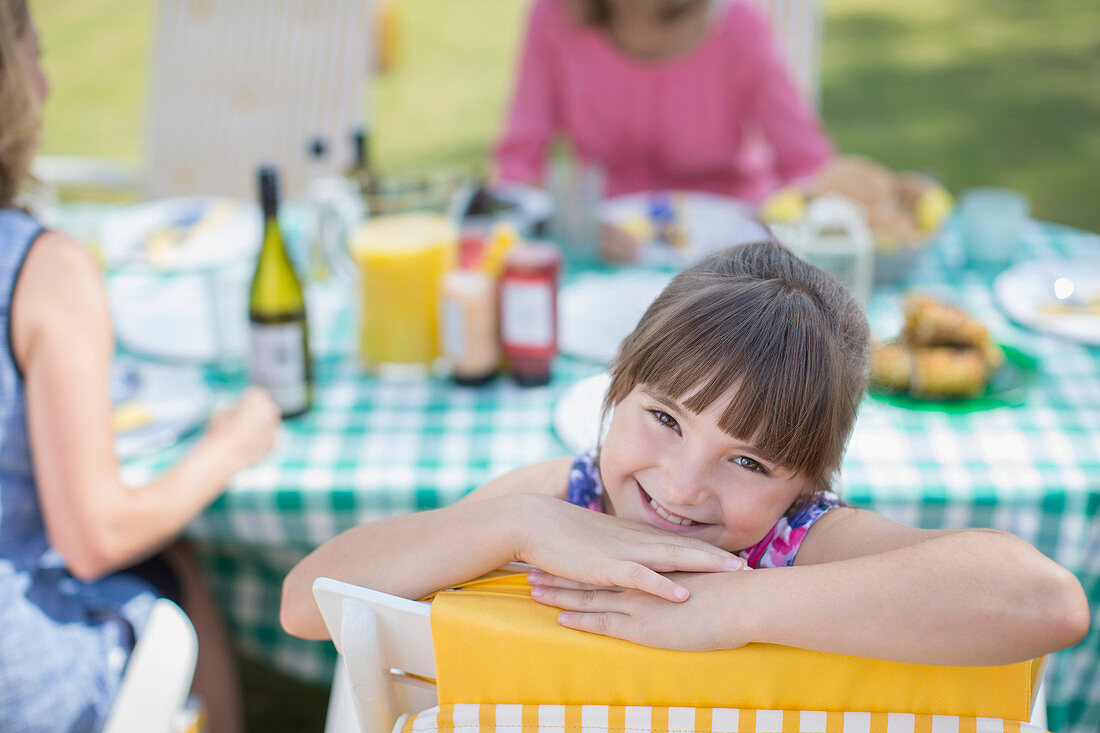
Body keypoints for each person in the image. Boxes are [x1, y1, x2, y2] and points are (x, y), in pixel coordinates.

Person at [281, 241, 1088, 667]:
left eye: (750, 463)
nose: (681, 482)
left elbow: (1044, 603)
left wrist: (729, 610)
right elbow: (307, 605)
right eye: (665, 416)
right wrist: (516, 520)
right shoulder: (558, 500)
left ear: (807, 486)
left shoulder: (798, 544)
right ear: (613, 389)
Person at [0, 2, 281, 731]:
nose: (48, 83)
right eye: (36, 55)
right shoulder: (40, 266)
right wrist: (232, 445)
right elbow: (97, 535)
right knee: (169, 558)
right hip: (21, 678)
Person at [493, 0, 834, 261]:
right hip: (607, 250)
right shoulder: (555, 16)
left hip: (731, 252)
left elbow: (807, 163)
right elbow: (518, 162)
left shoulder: (740, 23)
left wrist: (775, 219)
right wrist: (570, 221)